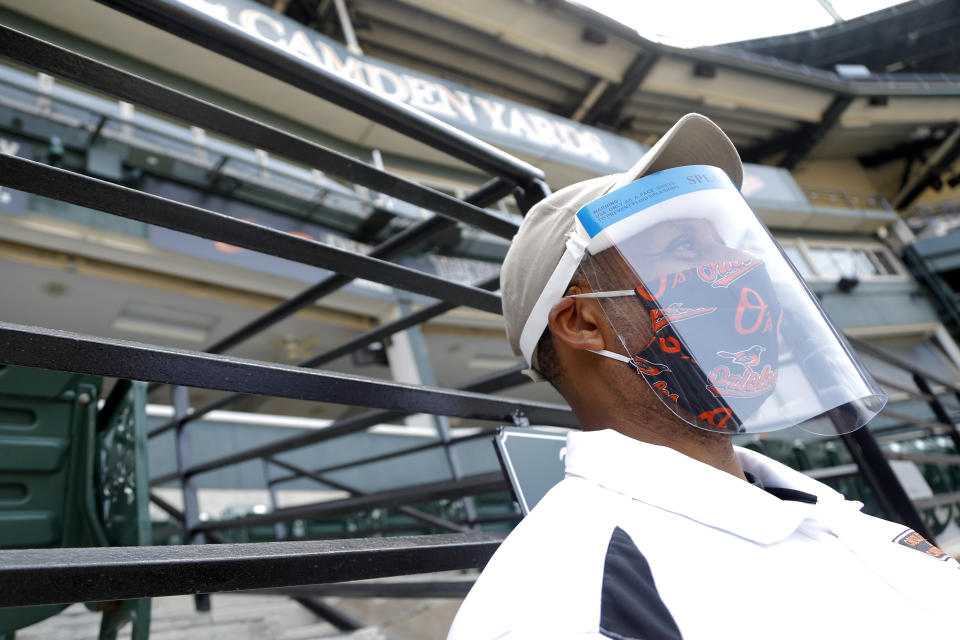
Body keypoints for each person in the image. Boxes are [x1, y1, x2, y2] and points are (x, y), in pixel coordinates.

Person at [447, 114, 959, 640]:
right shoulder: (571, 603)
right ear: (582, 322)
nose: (740, 263)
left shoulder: (806, 503)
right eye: (685, 249)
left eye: (727, 243)